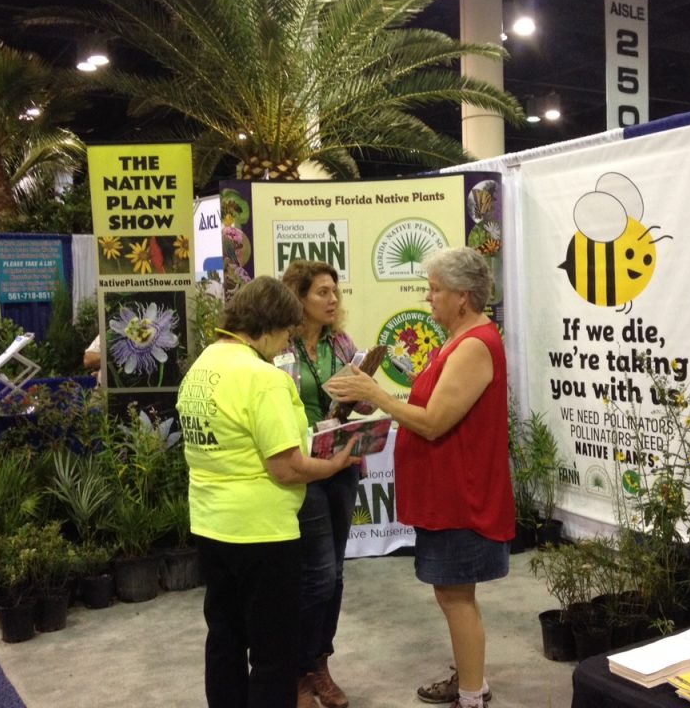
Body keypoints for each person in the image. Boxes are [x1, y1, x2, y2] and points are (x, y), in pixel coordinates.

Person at [328, 246, 514, 708]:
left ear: (463, 297)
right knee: (452, 594)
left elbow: (433, 422)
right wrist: (379, 400)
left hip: (459, 495)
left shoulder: (473, 346)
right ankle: (471, 679)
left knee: (455, 597)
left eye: (435, 290)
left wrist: (377, 394)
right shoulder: (459, 339)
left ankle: (472, 695)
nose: (428, 298)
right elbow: (427, 410)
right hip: (446, 491)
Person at [176, 276, 358, 708]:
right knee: (273, 651)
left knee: (224, 637)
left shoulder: (205, 363)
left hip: (210, 522)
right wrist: (334, 464)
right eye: (287, 332)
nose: (286, 344)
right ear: (272, 324)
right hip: (262, 531)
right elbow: (287, 466)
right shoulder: (262, 377)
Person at [279, 260, 368, 708]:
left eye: (335, 292)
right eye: (322, 293)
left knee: (334, 575)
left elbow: (359, 403)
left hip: (344, 464)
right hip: (304, 469)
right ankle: (297, 668)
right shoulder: (281, 349)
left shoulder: (343, 343)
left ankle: (319, 664)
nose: (333, 300)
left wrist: (362, 394)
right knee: (315, 575)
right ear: (299, 298)